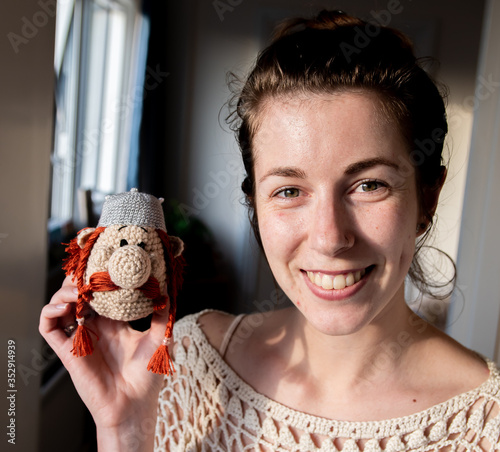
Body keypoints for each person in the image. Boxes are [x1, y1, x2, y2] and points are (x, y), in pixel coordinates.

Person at [40, 10, 500, 451]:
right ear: (256, 207)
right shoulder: (186, 362)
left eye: (368, 185)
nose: (329, 237)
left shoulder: (488, 423)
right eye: (288, 190)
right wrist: (122, 426)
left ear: (428, 197)